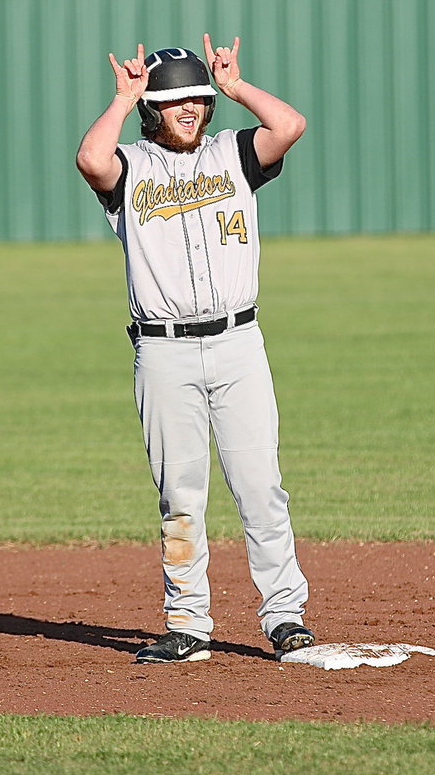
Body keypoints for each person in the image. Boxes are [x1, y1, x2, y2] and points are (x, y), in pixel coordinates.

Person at [76, 34, 314, 663]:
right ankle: (188, 623)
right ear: (155, 108)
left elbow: (289, 124)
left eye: (198, 100)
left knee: (260, 487)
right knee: (180, 495)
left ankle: (285, 616)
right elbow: (90, 159)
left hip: (239, 342)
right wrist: (125, 99)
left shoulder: (233, 153)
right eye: (175, 101)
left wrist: (235, 87)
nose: (189, 110)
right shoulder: (131, 166)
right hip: (163, 352)